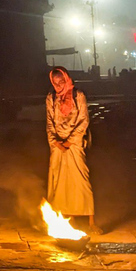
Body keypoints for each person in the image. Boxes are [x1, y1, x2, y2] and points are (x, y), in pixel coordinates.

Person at [46, 67, 102, 235]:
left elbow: (84, 120)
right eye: (55, 83)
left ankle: (91, 222)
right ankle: (68, 220)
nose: (58, 85)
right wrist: (55, 141)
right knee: (60, 183)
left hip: (76, 143)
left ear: (67, 79)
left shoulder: (78, 96)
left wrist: (70, 141)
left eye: (61, 82)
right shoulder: (51, 97)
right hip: (57, 145)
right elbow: (49, 122)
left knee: (81, 180)